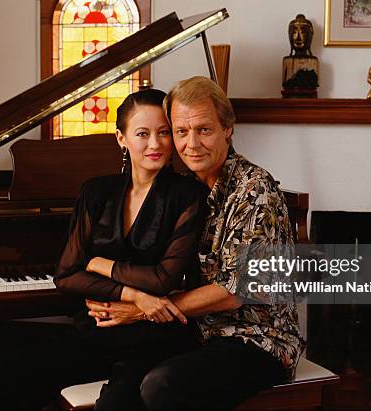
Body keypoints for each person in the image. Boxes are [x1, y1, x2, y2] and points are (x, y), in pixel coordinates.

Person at [0, 88, 208, 411]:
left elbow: (163, 279)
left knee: (115, 405)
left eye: (164, 132)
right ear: (121, 138)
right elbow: (67, 276)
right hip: (94, 332)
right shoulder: (96, 191)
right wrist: (134, 295)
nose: (155, 144)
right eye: (142, 133)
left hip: (155, 339)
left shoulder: (188, 194)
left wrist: (99, 264)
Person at [86, 76, 306, 410]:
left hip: (256, 339)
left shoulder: (254, 192)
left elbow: (234, 293)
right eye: (181, 132)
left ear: (228, 129)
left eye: (204, 130)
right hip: (193, 330)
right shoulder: (183, 187)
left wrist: (139, 310)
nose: (192, 144)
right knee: (120, 393)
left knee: (162, 385)